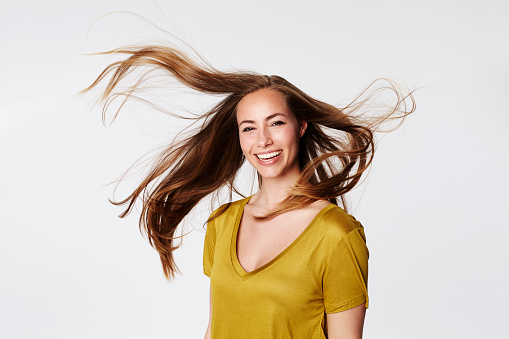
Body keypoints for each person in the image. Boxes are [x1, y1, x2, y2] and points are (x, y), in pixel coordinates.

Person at [84, 44, 415, 338]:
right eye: (249, 128)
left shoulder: (336, 235)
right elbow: (217, 328)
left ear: (300, 127)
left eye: (276, 123)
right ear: (239, 138)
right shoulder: (222, 223)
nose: (263, 141)